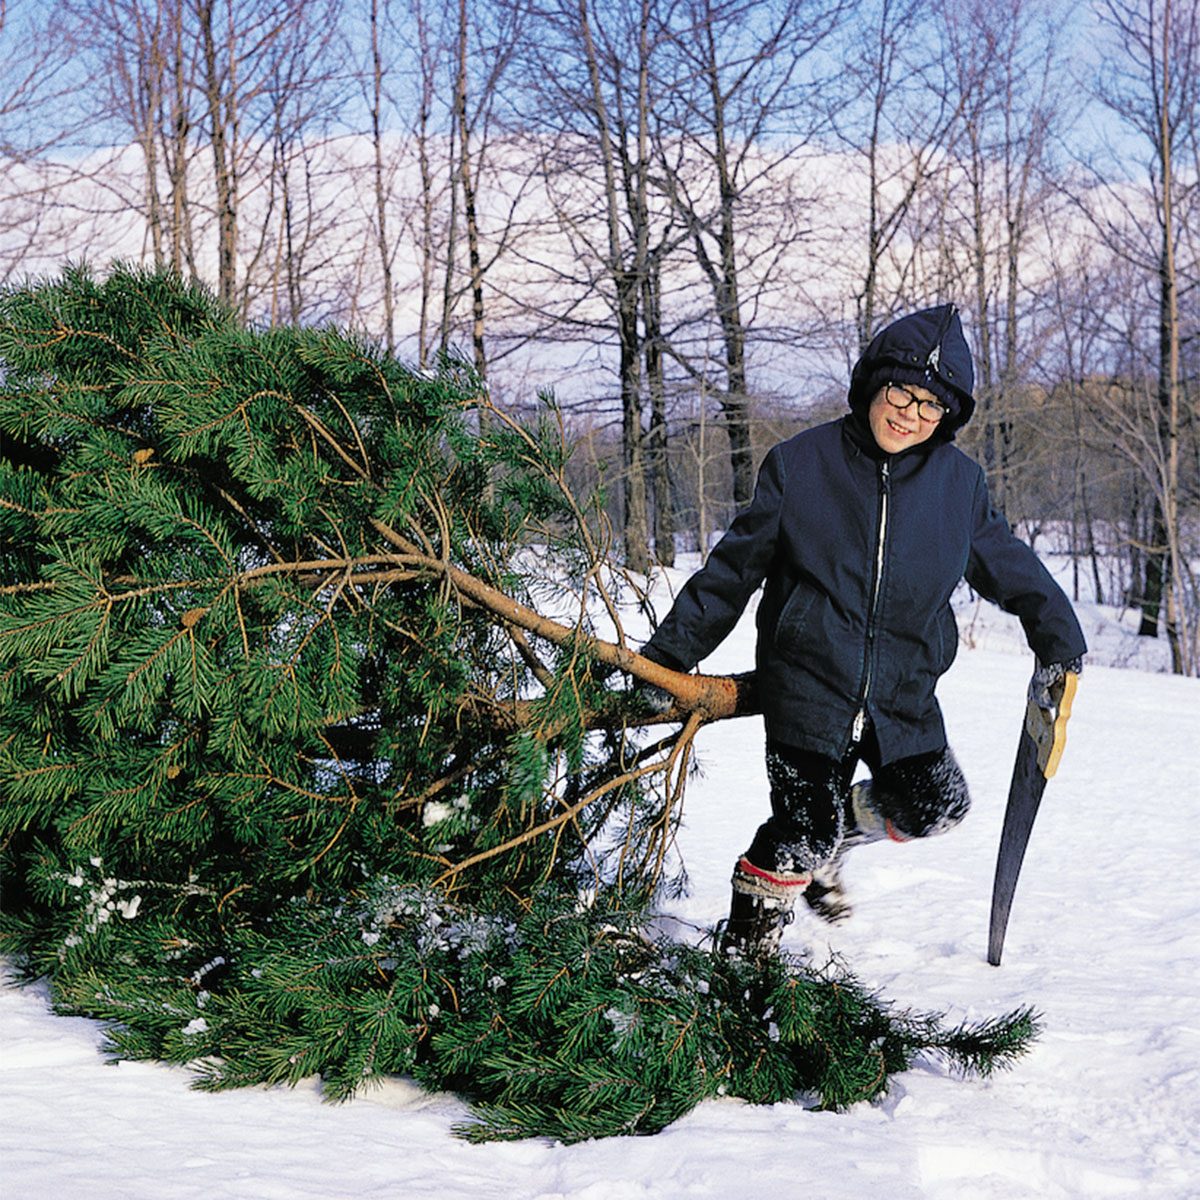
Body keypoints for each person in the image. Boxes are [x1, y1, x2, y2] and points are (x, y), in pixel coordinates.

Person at [638, 304, 1086, 958]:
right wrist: (664, 662)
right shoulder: (800, 465)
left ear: (948, 416)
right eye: (901, 391)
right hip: (809, 690)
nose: (910, 412)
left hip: (903, 695)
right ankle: (744, 960)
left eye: (931, 405)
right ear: (874, 383)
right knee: (800, 830)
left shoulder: (958, 486)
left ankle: (832, 844)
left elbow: (1010, 565)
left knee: (937, 805)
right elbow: (730, 574)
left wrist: (1060, 640)